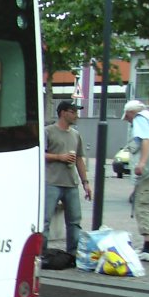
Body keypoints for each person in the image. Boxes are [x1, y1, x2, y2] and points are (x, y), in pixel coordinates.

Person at [44, 100, 91, 256]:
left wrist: (85, 182)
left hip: (71, 183)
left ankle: (73, 253)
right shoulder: (48, 131)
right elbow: (39, 154)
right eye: (73, 112)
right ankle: (41, 253)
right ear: (63, 113)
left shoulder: (75, 134)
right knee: (45, 220)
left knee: (74, 221)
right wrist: (59, 157)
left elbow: (79, 159)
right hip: (51, 182)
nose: (76, 115)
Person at [121, 99, 149, 261]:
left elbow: (146, 140)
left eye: (127, 117)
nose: (127, 120)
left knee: (143, 205)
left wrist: (142, 163)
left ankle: (148, 248)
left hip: (147, 173)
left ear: (132, 112)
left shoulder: (140, 118)